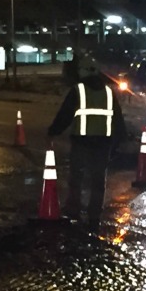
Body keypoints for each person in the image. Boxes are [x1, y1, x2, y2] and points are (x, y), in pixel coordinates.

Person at [46, 55, 128, 227]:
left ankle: (74, 211)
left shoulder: (78, 90)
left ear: (82, 72)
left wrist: (53, 131)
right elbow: (117, 118)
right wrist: (120, 140)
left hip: (81, 142)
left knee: (77, 178)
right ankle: (94, 216)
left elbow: (65, 115)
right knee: (98, 181)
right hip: (103, 143)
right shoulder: (108, 92)